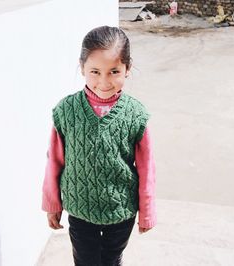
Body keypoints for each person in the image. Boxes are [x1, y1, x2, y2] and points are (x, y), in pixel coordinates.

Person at [41, 25, 156, 266]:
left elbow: (147, 168)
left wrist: (147, 211)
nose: (104, 81)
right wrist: (53, 203)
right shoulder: (66, 111)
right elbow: (55, 160)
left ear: (127, 69)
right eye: (95, 71)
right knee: (85, 261)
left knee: (111, 260)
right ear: (82, 67)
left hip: (120, 211)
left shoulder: (135, 114)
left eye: (114, 71)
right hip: (80, 210)